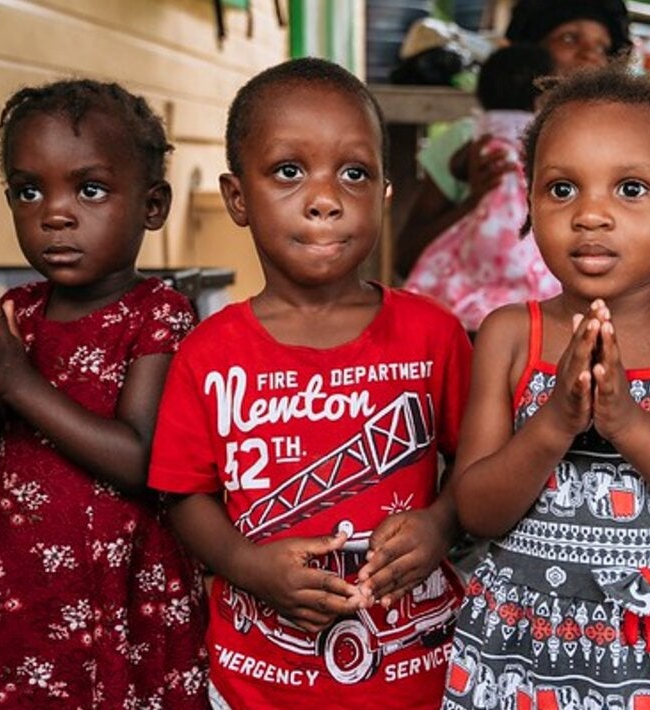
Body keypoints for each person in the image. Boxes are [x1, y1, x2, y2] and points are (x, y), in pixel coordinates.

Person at [145, 58, 472, 709]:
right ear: (238, 198)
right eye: (289, 171)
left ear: (383, 194)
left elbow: (479, 465)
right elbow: (184, 495)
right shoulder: (208, 353)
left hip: (413, 677)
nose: (325, 198)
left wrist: (439, 525)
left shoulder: (434, 335)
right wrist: (244, 565)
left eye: (353, 173)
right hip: (255, 682)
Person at [443, 67, 650, 710]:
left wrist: (625, 422)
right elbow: (475, 512)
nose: (590, 214)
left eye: (631, 189)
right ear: (529, 207)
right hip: (521, 654)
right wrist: (556, 421)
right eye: (561, 189)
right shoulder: (510, 336)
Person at [0, 80, 207, 709]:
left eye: (90, 189)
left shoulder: (159, 315)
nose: (56, 213)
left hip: (118, 587)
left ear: (153, 206)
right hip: (16, 583)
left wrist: (17, 380)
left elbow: (140, 461)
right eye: (29, 191)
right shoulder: (14, 314)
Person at [393, 0, 632, 279]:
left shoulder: (613, 149)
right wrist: (477, 202)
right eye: (569, 38)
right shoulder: (474, 140)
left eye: (602, 47)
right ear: (526, 54)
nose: (590, 55)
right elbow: (406, 259)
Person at [403, 43, 560, 331]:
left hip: (476, 286)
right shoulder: (554, 138)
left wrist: (468, 182)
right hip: (533, 308)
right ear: (545, 98)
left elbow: (458, 162)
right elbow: (404, 254)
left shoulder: (476, 135)